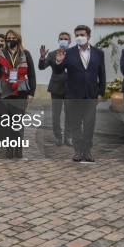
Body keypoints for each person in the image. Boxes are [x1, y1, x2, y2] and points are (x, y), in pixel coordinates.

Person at [53, 25, 106, 163]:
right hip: (73, 95)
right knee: (75, 124)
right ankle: (77, 151)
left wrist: (101, 93)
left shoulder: (98, 53)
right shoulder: (68, 52)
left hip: (91, 95)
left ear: (88, 36)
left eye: (82, 34)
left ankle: (87, 151)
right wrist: (59, 61)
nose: (79, 37)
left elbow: (102, 75)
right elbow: (59, 71)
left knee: (89, 124)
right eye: (77, 35)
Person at [0, 30, 36, 158]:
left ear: (18, 39)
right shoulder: (1, 53)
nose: (10, 40)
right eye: (8, 38)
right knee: (8, 121)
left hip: (21, 90)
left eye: (13, 37)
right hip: (5, 90)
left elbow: (32, 74)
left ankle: (18, 147)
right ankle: (10, 147)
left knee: (18, 121)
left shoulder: (25, 54)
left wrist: (32, 92)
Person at [39, 32, 71, 146]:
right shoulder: (52, 54)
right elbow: (42, 67)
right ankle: (58, 137)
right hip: (56, 88)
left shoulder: (73, 54)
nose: (63, 40)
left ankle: (68, 137)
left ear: (70, 41)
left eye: (66, 39)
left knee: (70, 114)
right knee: (56, 115)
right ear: (58, 41)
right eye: (61, 39)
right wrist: (42, 57)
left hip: (70, 88)